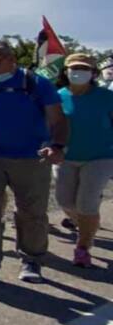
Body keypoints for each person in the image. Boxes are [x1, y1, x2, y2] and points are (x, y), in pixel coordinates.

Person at [0, 39, 68, 283]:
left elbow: (58, 120)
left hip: (31, 157)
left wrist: (57, 146)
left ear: (11, 60)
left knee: (30, 211)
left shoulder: (36, 83)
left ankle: (32, 260)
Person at [54, 53, 113, 267]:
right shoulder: (58, 96)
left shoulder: (106, 97)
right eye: (75, 68)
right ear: (66, 71)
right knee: (65, 201)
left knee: (86, 203)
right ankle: (88, 226)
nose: (79, 72)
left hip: (101, 157)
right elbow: (51, 126)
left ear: (93, 73)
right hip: (67, 157)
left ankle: (83, 247)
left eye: (85, 68)